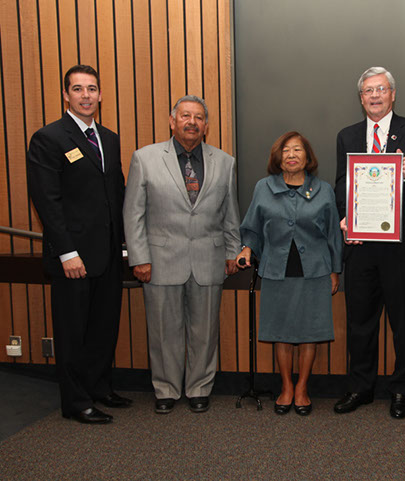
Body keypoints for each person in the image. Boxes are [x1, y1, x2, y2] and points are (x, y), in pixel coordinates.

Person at [333, 67, 405, 419]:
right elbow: (341, 183)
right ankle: (360, 388)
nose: (375, 95)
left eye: (381, 89)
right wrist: (345, 214)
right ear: (361, 97)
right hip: (362, 244)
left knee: (404, 321)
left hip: (403, 246)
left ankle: (402, 389)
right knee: (360, 321)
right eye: (368, 91)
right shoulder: (347, 136)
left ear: (393, 94)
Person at [123, 95, 240, 414]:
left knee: (205, 331)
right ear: (172, 121)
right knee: (163, 329)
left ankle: (199, 386)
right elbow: (132, 212)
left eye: (199, 117)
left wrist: (232, 250)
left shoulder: (224, 161)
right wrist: (139, 257)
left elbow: (230, 213)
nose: (192, 122)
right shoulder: (145, 158)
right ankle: (166, 389)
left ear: (206, 125)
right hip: (159, 261)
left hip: (209, 258)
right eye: (185, 116)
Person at [27, 65, 129, 424]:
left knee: (103, 326)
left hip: (108, 255)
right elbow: (46, 200)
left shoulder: (110, 138)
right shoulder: (49, 138)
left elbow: (115, 193)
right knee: (72, 332)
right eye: (78, 89)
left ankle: (99, 388)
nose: (86, 95)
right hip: (73, 257)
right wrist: (66, 251)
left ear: (100, 95)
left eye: (92, 89)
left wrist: (124, 244)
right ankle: (75, 402)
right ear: (66, 95)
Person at [236, 131, 342, 416]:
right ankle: (285, 386)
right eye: (286, 150)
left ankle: (302, 388)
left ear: (308, 157)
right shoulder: (263, 187)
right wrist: (247, 249)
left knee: (310, 331)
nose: (292, 155)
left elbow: (333, 233)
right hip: (276, 269)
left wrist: (335, 270)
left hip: (316, 271)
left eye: (297, 150)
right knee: (281, 331)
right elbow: (252, 228)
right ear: (278, 158)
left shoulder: (323, 190)